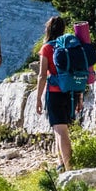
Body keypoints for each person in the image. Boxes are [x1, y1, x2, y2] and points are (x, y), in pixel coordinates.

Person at [35, 16, 82, 172]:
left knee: (61, 131)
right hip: (71, 92)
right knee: (58, 128)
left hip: (55, 92)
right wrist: (79, 96)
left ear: (48, 29)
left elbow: (42, 76)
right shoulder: (70, 46)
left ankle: (69, 169)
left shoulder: (47, 48)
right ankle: (60, 163)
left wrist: (38, 99)